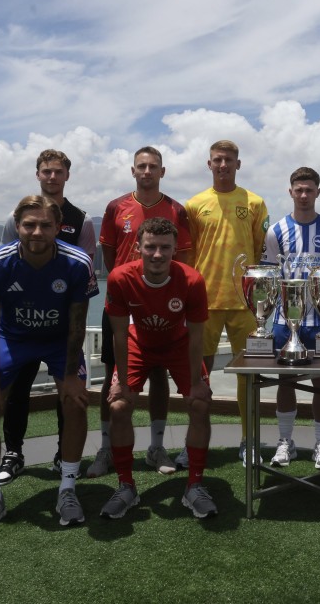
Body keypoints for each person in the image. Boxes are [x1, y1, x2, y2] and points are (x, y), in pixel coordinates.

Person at [0, 195, 98, 534]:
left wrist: (71, 377)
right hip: (13, 339)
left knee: (76, 402)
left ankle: (67, 489)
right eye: (29, 225)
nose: (36, 232)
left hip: (59, 341)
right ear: (17, 227)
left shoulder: (77, 262)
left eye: (44, 225)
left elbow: (77, 324)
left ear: (57, 228)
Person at [100, 217, 218, 519]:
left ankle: (194, 485)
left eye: (165, 247)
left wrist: (196, 382)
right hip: (139, 343)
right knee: (119, 406)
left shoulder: (191, 280)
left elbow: (196, 336)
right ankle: (126, 485)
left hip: (178, 344)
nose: (157, 254)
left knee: (200, 404)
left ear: (175, 249)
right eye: (150, 247)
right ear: (137, 247)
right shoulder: (119, 277)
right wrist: (121, 382)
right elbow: (118, 334)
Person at [88, 146, 193, 479]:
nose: (147, 171)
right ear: (133, 171)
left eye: (153, 167)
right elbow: (108, 253)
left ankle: (156, 446)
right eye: (141, 166)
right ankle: (107, 448)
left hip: (162, 305)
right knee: (113, 376)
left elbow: (185, 257)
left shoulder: (177, 209)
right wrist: (127, 282)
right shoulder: (115, 207)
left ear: (163, 171)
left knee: (159, 374)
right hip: (122, 302)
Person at [0, 149, 96, 485]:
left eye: (58, 172)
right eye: (46, 171)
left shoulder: (81, 220)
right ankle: (13, 452)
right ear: (37, 175)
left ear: (67, 175)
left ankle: (62, 454)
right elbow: (4, 263)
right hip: (22, 323)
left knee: (68, 391)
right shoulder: (18, 215)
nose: (52, 177)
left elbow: (86, 272)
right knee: (16, 390)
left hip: (62, 324)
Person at [185, 140, 268, 462]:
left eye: (229, 160)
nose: (223, 165)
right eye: (217, 160)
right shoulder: (194, 205)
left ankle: (249, 441)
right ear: (209, 164)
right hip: (203, 303)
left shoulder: (255, 203)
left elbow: (260, 253)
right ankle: (196, 443)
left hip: (245, 304)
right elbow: (189, 255)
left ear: (238, 164)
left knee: (249, 376)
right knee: (198, 376)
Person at [260, 167, 320, 469]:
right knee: (286, 382)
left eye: (310, 190)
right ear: (291, 191)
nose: (304, 195)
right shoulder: (276, 231)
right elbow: (269, 277)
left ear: (318, 192)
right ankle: (286, 441)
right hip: (284, 321)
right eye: (299, 189)